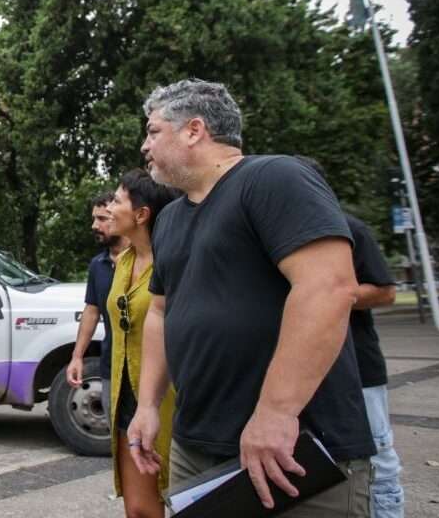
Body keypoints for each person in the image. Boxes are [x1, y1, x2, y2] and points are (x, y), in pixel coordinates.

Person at [126, 79, 374, 517]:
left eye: (152, 131)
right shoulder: (168, 221)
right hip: (197, 450)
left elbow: (328, 288)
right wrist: (148, 406)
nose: (144, 145)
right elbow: (160, 313)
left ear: (194, 130)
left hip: (292, 450)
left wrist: (276, 414)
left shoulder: (274, 177)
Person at [296, 156, 404, 518]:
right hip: (310, 370)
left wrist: (327, 292)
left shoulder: (349, 228)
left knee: (379, 456)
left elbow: (386, 292)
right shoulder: (281, 234)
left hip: (359, 366)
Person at [105, 169, 182, 517]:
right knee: (138, 509)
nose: (108, 207)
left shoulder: (176, 261)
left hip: (172, 399)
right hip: (127, 398)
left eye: (117, 200)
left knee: (181, 496)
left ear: (141, 214)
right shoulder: (123, 261)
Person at [66, 191, 127, 425]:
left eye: (102, 219)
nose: (94, 225)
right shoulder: (97, 265)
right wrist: (77, 356)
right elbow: (92, 311)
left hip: (146, 367)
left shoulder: (148, 259)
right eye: (94, 219)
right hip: (111, 365)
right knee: (118, 436)